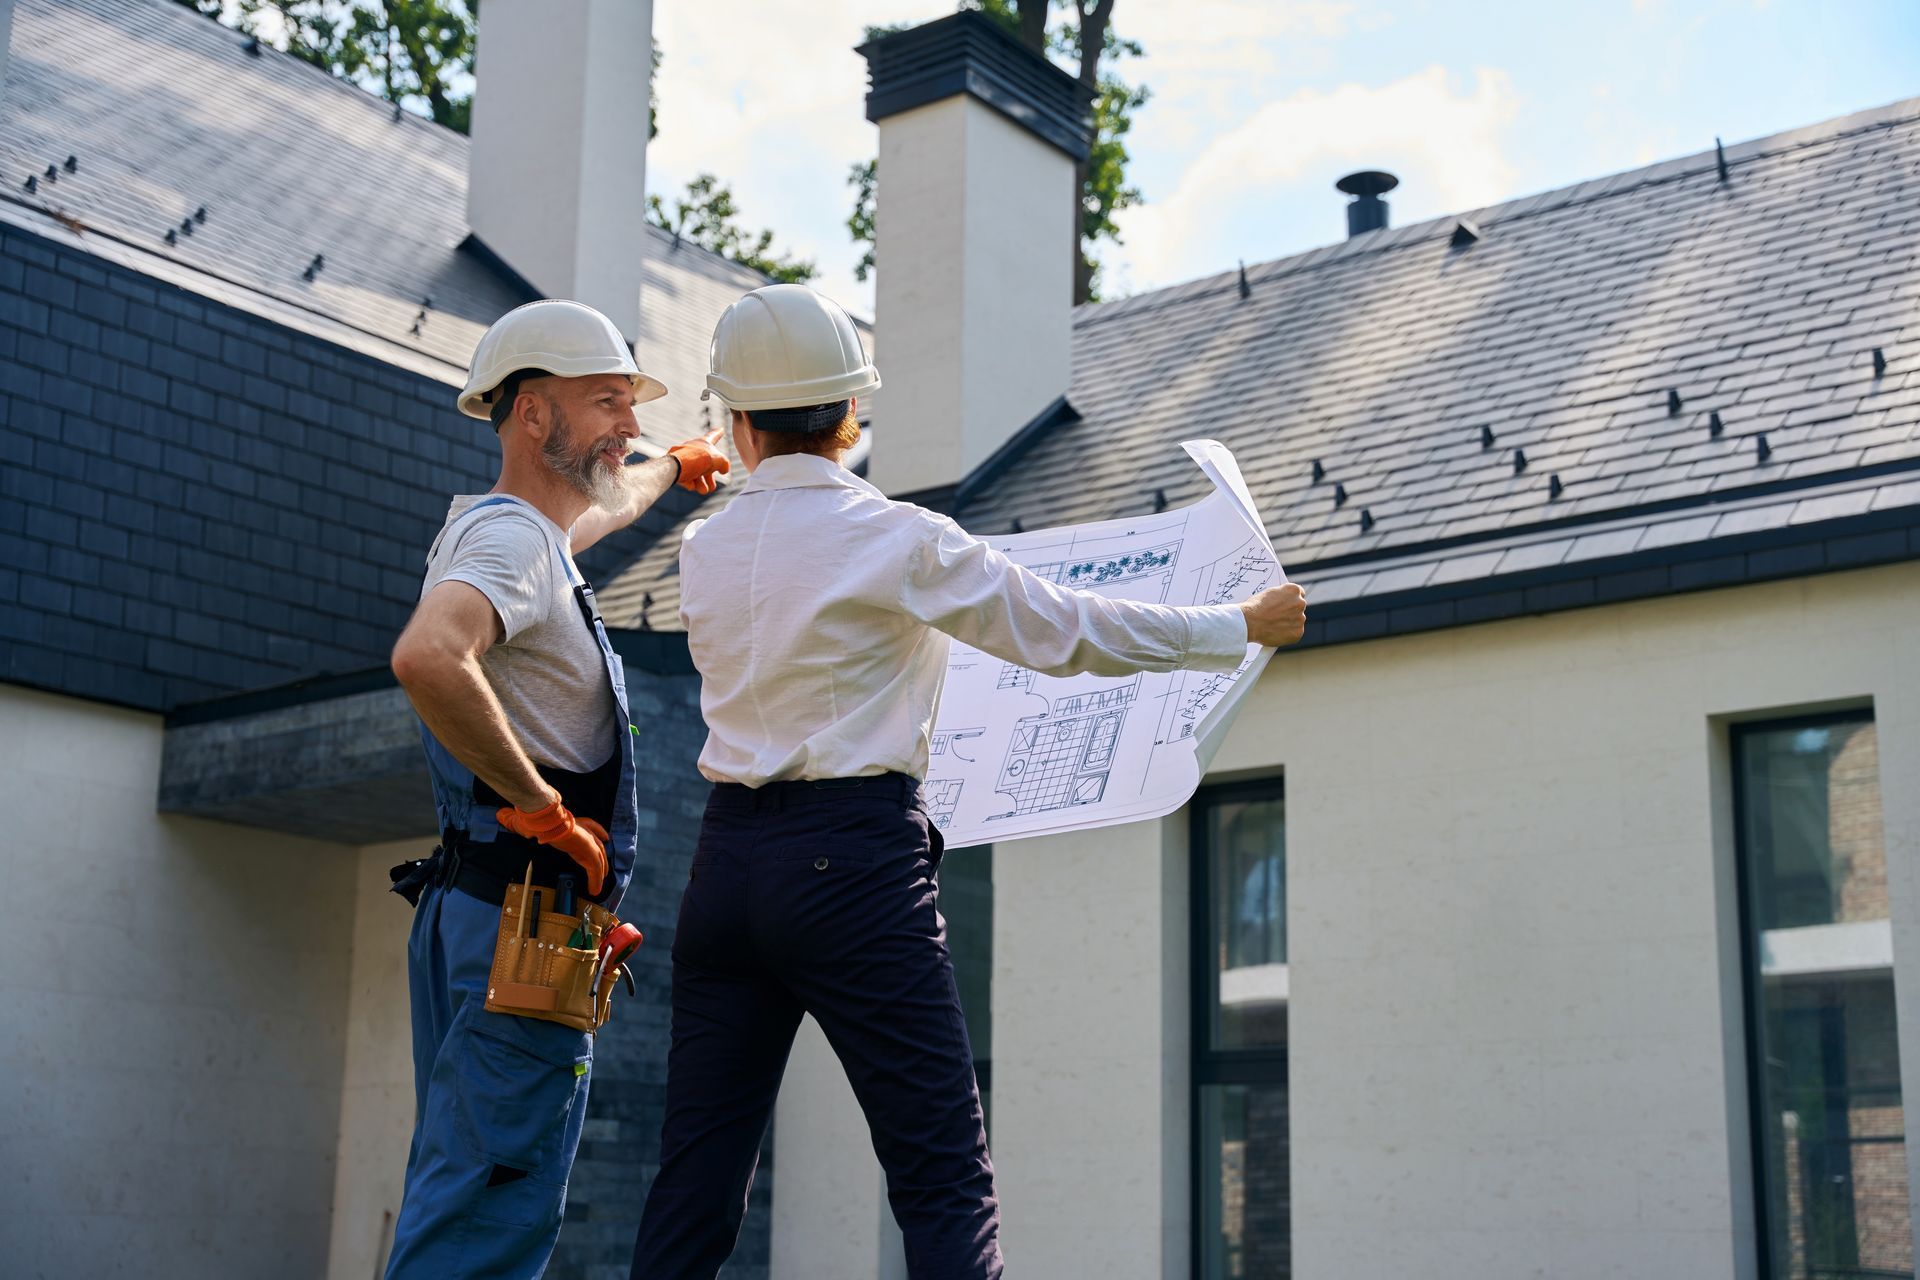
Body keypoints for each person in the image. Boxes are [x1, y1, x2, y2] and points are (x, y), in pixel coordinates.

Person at [630, 284, 1308, 1280]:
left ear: (734, 421)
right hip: (853, 864)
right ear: (852, 415)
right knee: (943, 1175)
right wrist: (1236, 624)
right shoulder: (899, 537)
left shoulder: (704, 549)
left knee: (694, 1186)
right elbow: (1068, 627)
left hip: (725, 868)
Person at [383, 298, 729, 1277]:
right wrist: (539, 804)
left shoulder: (517, 536)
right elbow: (429, 655)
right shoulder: (515, 546)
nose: (631, 422)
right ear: (532, 414)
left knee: (469, 1181)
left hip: (482, 915)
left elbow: (601, 507)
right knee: (489, 1205)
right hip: (517, 926)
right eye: (609, 401)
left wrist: (676, 466)